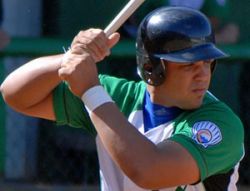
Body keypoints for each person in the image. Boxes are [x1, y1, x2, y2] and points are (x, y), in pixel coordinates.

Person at [0, 7, 244, 191]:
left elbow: (148, 171)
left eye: (208, 62)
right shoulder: (115, 97)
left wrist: (91, 92)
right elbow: (15, 93)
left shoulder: (220, 124)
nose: (202, 75)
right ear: (151, 67)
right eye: (189, 65)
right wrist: (70, 60)